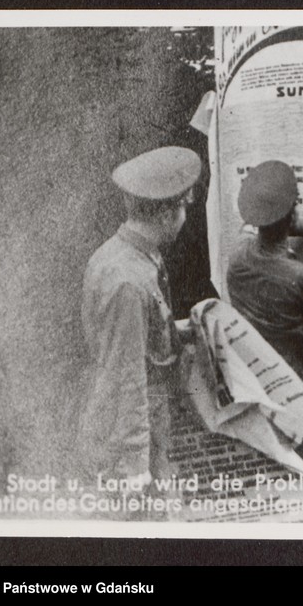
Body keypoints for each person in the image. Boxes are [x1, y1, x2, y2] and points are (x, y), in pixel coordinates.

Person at [79, 146, 202, 503]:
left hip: (134, 411)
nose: (184, 218)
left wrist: (179, 332)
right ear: (165, 214)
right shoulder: (129, 282)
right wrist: (136, 462)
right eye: (183, 208)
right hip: (129, 428)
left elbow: (136, 338)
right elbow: (127, 373)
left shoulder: (124, 254)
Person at [226, 160, 303, 380]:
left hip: (250, 367)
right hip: (288, 373)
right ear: (293, 213)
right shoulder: (301, 277)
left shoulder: (238, 253)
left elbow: (248, 228)